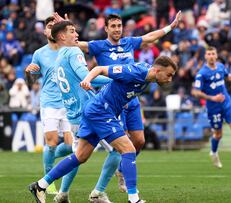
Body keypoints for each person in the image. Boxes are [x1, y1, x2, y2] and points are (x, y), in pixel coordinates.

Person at [52, 11, 182, 199]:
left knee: (139, 141)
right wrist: (62, 31)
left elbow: (149, 37)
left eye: (119, 26)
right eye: (113, 26)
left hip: (131, 98)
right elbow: (74, 43)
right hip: (112, 99)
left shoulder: (129, 42)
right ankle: (99, 191)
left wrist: (170, 27)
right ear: (106, 28)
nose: (117, 29)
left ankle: (122, 170)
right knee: (116, 147)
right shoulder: (98, 46)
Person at [29, 53, 177, 203]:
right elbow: (99, 69)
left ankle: (40, 185)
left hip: (96, 111)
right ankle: (134, 199)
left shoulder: (148, 78)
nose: (170, 79)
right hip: (101, 111)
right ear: (157, 70)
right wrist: (87, 80)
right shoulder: (134, 71)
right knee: (129, 150)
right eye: (169, 75)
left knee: (80, 156)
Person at [27, 21, 111, 203]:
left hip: (71, 111)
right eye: (72, 31)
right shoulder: (69, 52)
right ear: (61, 36)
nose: (77, 34)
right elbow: (85, 78)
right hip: (82, 111)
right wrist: (116, 79)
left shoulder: (59, 56)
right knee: (119, 149)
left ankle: (53, 189)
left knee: (77, 155)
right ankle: (100, 193)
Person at [24, 17, 77, 202]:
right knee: (52, 143)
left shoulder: (68, 50)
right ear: (46, 32)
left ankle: (62, 191)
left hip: (69, 102)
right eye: (49, 26)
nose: (53, 28)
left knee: (73, 148)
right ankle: (49, 187)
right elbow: (31, 82)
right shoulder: (39, 53)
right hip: (49, 103)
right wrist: (27, 73)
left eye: (55, 26)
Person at [192, 46, 231, 169]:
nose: (211, 56)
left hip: (226, 103)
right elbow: (196, 92)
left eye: (213, 53)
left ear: (216, 55)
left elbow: (228, 76)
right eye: (209, 54)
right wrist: (212, 98)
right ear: (205, 56)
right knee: (218, 134)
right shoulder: (202, 74)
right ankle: (214, 153)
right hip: (213, 107)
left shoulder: (221, 67)